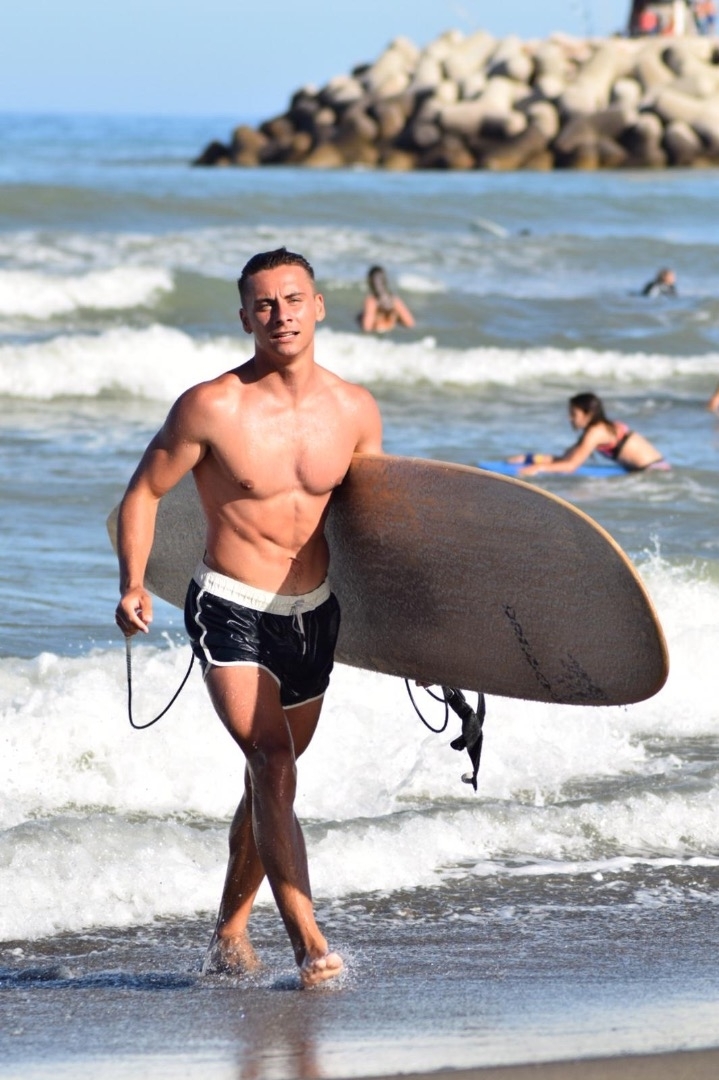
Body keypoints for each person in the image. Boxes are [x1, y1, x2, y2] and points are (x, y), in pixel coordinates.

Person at [114, 247, 383, 987]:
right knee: (271, 760)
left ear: (317, 306)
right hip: (230, 606)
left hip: (313, 613)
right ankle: (308, 943)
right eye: (264, 304)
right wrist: (132, 581)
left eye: (293, 300)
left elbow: (372, 525)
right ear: (244, 318)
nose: (280, 315)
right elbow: (142, 494)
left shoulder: (354, 409)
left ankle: (229, 932)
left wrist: (418, 636)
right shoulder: (212, 406)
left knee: (272, 781)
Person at [512, 392, 670, 476]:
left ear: (588, 415)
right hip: (650, 470)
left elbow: (571, 466)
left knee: (585, 494)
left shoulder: (596, 432)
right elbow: (568, 457)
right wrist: (531, 458)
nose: (570, 418)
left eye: (574, 414)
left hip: (653, 473)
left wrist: (537, 468)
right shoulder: (596, 430)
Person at [359, 265, 415, 333]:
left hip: (378, 332)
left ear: (370, 281)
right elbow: (410, 324)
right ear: (385, 280)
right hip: (390, 332)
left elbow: (366, 328)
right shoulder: (394, 299)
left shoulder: (372, 301)